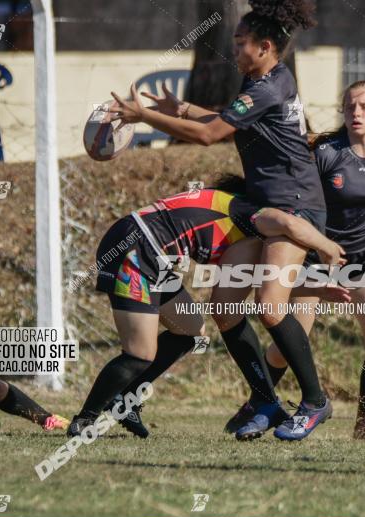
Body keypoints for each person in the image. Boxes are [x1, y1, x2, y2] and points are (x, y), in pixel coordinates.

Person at [111, 0, 338, 441]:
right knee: (226, 306)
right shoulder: (266, 79)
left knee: (271, 304)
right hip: (262, 207)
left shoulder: (267, 87)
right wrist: (181, 108)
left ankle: (315, 401)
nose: (234, 52)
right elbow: (224, 120)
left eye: (241, 44)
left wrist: (143, 118)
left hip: (295, 209)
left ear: (265, 48)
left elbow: (208, 136)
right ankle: (266, 401)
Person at [65, 180, 346, 439]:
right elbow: (288, 223)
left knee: (191, 330)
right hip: (136, 250)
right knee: (140, 353)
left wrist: (315, 288)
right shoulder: (248, 211)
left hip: (150, 253)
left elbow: (257, 281)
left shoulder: (228, 211)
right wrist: (328, 247)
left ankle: (126, 399)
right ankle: (85, 418)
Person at [231, 81, 365, 441]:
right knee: (290, 344)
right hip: (315, 259)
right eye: (350, 106)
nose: (356, 113)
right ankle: (259, 404)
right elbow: (294, 194)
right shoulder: (325, 153)